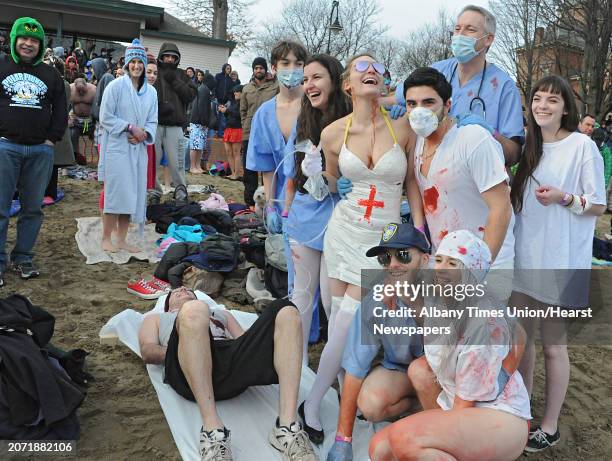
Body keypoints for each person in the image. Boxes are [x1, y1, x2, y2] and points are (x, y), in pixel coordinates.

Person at [301, 54, 416, 441]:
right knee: (336, 321)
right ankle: (339, 389)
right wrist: (326, 180)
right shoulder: (333, 133)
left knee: (348, 321)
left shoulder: (403, 127)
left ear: (384, 80)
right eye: (360, 68)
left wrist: (415, 229)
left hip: (381, 241)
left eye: (377, 67)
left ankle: (313, 406)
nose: (370, 71)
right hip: (343, 231)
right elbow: (331, 182)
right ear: (347, 84)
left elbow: (412, 183)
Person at [369, 230, 531, 461]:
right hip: (463, 402)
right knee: (378, 447)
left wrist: (502, 375)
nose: (442, 268)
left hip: (499, 416)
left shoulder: (482, 323)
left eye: (453, 262)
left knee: (405, 440)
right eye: (439, 260)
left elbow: (463, 408)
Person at [510, 75, 606, 453]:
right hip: (524, 257)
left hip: (561, 259)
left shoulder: (582, 146)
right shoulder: (528, 147)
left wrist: (565, 198)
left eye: (552, 100)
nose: (543, 105)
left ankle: (550, 426)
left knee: (553, 346)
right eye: (537, 98)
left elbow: (597, 203)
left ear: (566, 107)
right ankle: (522, 413)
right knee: (522, 342)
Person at [138, 287, 318, 461]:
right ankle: (212, 431)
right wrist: (188, 350)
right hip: (185, 367)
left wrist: (265, 337)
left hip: (227, 359)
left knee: (286, 310)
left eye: (188, 290)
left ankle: (287, 427)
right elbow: (148, 351)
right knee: (193, 311)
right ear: (168, 304)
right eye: (176, 292)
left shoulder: (221, 314)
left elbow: (243, 340)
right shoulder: (156, 318)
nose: (183, 290)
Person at [404, 67, 515, 304]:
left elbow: (501, 208)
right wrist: (419, 227)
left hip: (486, 261)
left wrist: (478, 267)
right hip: (443, 262)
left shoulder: (473, 139)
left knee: (482, 338)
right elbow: (414, 180)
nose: (419, 111)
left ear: (448, 105)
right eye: (412, 104)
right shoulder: (418, 141)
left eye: (428, 102)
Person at [327, 223, 429, 461]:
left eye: (403, 255)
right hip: (403, 372)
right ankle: (421, 407)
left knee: (421, 371)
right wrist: (344, 439)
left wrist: (413, 303)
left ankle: (444, 424)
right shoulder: (376, 300)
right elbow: (355, 366)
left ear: (424, 260)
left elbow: (448, 348)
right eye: (385, 258)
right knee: (370, 404)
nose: (393, 265)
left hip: (446, 376)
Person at [388, 5, 524, 166]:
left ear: (488, 39)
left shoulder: (504, 86)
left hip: (474, 180)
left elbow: (514, 154)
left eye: (470, 29)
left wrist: (489, 133)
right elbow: (387, 100)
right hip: (429, 172)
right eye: (457, 29)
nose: (459, 35)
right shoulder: (438, 70)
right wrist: (404, 112)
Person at [283, 54, 351, 364]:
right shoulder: (303, 123)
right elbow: (292, 179)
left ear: (335, 80)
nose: (309, 85)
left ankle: (337, 376)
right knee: (301, 297)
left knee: (332, 302)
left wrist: (342, 183)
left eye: (317, 77)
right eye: (305, 78)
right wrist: (284, 213)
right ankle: (292, 369)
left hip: (342, 226)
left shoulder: (354, 123)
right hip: (305, 222)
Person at [0, 17, 68, 286]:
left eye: (34, 40)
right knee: (1, 207)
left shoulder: (51, 74)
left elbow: (61, 110)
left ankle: (23, 258)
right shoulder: (2, 66)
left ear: (40, 45)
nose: (28, 44)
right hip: (6, 147)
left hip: (40, 151)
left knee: (32, 209)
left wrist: (52, 139)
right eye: (24, 38)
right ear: (15, 40)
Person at [98, 39, 157, 253]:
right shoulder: (115, 87)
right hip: (118, 147)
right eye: (132, 62)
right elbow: (105, 117)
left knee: (131, 194)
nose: (136, 66)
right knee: (115, 193)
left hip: (138, 149)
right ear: (127, 64)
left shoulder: (151, 93)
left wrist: (144, 134)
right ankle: (106, 237)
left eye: (139, 62)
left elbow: (153, 121)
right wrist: (130, 127)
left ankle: (121, 239)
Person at [246, 41, 307, 232]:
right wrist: (271, 206)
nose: (292, 69)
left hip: (313, 199)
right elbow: (267, 167)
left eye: (298, 64)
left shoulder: (314, 105)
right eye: (285, 63)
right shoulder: (264, 114)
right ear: (274, 68)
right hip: (281, 201)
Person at [153, 42, 197, 191]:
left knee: (178, 164)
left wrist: (174, 80)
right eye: (167, 56)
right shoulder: (154, 72)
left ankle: (181, 192)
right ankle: (154, 191)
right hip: (155, 125)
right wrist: (159, 108)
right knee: (152, 163)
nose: (170, 59)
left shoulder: (182, 74)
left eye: (173, 57)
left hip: (175, 127)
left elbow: (190, 95)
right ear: (161, 56)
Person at [240, 57, 279, 207]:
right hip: (249, 133)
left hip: (268, 133)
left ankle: (269, 201)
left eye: (261, 68)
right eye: (256, 68)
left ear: (265, 69)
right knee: (249, 169)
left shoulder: (275, 86)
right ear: (253, 70)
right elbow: (242, 111)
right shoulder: (246, 88)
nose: (258, 70)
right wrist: (245, 126)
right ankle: (250, 201)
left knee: (267, 168)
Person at [43, 56, 75, 202]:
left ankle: (49, 193)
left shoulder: (61, 84)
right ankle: (48, 192)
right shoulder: (65, 84)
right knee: (50, 164)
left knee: (52, 164)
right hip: (57, 126)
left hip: (53, 127)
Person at [188, 71, 215, 175]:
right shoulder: (204, 90)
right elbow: (202, 108)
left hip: (201, 123)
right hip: (198, 123)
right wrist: (204, 122)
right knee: (195, 146)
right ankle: (192, 166)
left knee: (200, 146)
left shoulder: (204, 89)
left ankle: (198, 166)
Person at [219, 84, 243, 180]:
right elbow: (229, 116)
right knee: (229, 152)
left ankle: (236, 174)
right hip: (228, 128)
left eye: (237, 91)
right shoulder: (233, 102)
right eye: (234, 91)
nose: (235, 93)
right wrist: (224, 111)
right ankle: (232, 173)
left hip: (237, 129)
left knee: (236, 152)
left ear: (242, 93)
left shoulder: (243, 102)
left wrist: (227, 110)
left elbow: (239, 115)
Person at [69, 77, 96, 165]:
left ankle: (99, 158)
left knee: (98, 135)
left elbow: (98, 107)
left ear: (86, 86)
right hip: (76, 121)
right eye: (78, 91)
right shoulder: (70, 89)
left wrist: (96, 120)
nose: (81, 93)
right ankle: (75, 157)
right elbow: (64, 105)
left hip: (91, 121)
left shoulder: (93, 90)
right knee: (72, 134)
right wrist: (69, 117)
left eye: (83, 90)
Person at [214, 63, 233, 137]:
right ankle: (215, 132)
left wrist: (229, 100)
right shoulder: (218, 76)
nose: (229, 70)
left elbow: (230, 91)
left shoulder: (230, 79)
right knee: (216, 117)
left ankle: (220, 134)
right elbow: (215, 87)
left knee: (223, 118)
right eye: (227, 68)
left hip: (225, 102)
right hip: (217, 100)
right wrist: (215, 96)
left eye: (230, 69)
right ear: (224, 68)